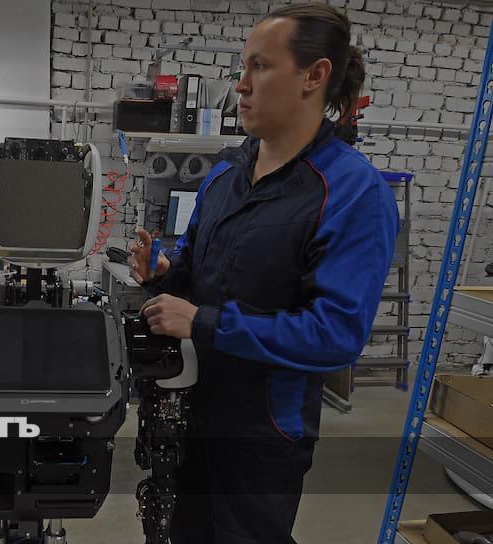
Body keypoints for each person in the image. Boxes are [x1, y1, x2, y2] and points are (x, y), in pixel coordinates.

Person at [127, 4, 399, 543]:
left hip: (262, 434)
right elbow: (195, 272)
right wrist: (164, 275)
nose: (241, 86)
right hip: (188, 411)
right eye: (242, 67)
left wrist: (202, 322)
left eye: (260, 66)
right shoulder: (225, 174)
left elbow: (335, 335)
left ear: (314, 75)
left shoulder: (352, 191)